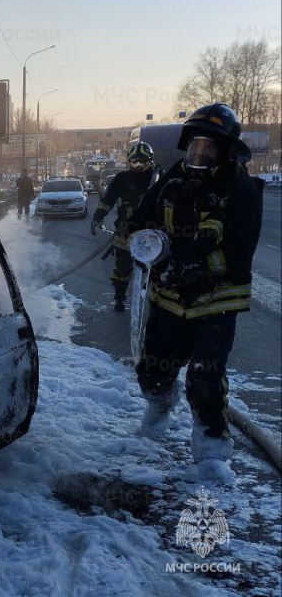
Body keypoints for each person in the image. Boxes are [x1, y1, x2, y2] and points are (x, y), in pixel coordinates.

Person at [128, 103, 263, 482]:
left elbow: (239, 254)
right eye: (194, 148)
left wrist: (198, 269)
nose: (199, 156)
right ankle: (159, 408)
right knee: (152, 370)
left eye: (209, 149)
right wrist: (144, 243)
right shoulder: (170, 181)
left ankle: (212, 453)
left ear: (226, 151)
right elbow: (140, 222)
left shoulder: (240, 191)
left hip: (215, 302)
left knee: (205, 377)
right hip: (168, 297)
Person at [91, 142, 162, 311]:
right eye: (134, 162)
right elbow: (108, 200)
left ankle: (155, 297)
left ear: (150, 161)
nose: (138, 166)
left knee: (156, 268)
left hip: (152, 230)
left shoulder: (158, 178)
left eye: (142, 162)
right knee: (122, 267)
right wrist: (97, 218)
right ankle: (119, 298)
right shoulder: (122, 179)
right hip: (125, 231)